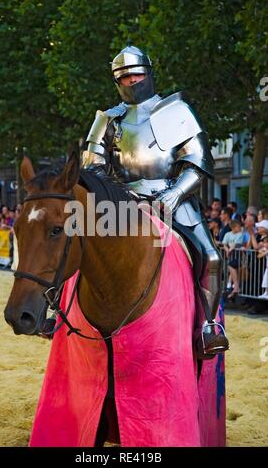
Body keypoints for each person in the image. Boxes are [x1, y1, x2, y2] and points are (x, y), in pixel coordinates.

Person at [82, 45, 228, 357]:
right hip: (121, 203)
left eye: (136, 75)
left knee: (210, 257)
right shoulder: (108, 119)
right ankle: (58, 313)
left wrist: (175, 193)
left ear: (149, 74)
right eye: (124, 77)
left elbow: (198, 161)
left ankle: (209, 327)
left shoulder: (176, 111)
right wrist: (119, 194)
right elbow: (90, 168)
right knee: (76, 241)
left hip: (173, 198)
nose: (131, 81)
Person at [222, 219, 244, 299]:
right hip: (230, 255)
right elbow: (224, 244)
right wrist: (227, 250)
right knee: (231, 268)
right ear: (234, 228)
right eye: (239, 227)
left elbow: (235, 245)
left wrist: (229, 250)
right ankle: (232, 285)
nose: (240, 228)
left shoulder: (240, 234)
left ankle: (233, 286)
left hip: (237, 256)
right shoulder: (228, 234)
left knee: (232, 266)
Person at [257, 235, 268, 299]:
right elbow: (259, 256)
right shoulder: (265, 249)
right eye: (264, 243)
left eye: (265, 243)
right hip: (267, 268)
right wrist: (264, 252)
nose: (264, 244)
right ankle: (266, 293)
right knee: (266, 280)